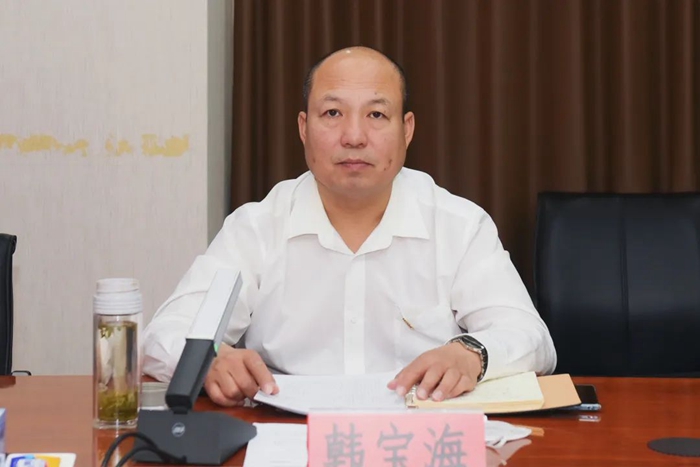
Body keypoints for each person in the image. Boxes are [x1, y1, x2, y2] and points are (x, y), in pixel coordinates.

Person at [143, 46, 557, 407]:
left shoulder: (459, 225)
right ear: (304, 128)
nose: (354, 136)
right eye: (332, 113)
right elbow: (164, 335)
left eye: (376, 114)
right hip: (287, 438)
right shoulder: (256, 228)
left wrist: (471, 353)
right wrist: (210, 359)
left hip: (418, 439)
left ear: (407, 130)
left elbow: (531, 338)